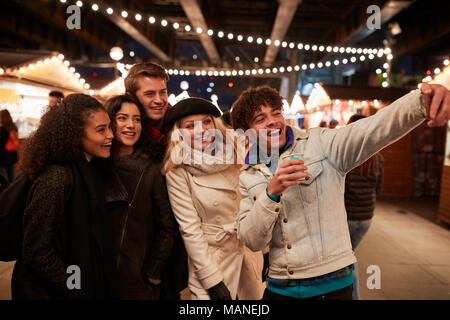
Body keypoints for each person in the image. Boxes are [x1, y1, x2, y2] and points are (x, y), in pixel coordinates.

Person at [230, 83, 450, 300]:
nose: (272, 121)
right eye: (260, 119)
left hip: (331, 287)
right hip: (279, 287)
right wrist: (271, 193)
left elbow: (373, 128)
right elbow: (252, 240)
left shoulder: (321, 143)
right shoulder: (247, 175)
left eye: (276, 112)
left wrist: (420, 102)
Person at [11, 94, 115, 299]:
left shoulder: (91, 168)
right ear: (75, 135)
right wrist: (76, 285)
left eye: (109, 127)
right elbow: (37, 252)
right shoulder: (57, 177)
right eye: (101, 130)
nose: (111, 135)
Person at [162, 97, 265, 300]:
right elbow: (190, 230)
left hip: (248, 253)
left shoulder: (237, 150)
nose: (202, 130)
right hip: (212, 261)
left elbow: (256, 203)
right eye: (191, 126)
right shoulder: (177, 169)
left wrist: (265, 248)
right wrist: (212, 280)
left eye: (206, 121)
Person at [103, 94, 177, 299]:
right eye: (122, 118)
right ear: (108, 121)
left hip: (136, 282)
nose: (131, 125)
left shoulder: (150, 169)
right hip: (96, 275)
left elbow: (167, 227)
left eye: (136, 119)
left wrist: (151, 274)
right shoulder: (95, 166)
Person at [124, 62, 188, 299]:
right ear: (133, 97)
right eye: (149, 94)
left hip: (174, 237)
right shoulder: (125, 134)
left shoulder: (181, 129)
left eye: (162, 92)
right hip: (135, 236)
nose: (159, 99)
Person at [344, 114, 384, 300]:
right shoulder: (377, 156)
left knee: (347, 259)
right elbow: (379, 188)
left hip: (349, 216)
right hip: (366, 217)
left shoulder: (347, 157)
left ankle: (354, 296)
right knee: (349, 256)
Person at [0, 109, 18, 182]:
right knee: (12, 178)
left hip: (2, 158)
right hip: (12, 156)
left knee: (4, 179)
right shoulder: (14, 127)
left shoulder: (2, 130)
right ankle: (13, 191)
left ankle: (6, 192)